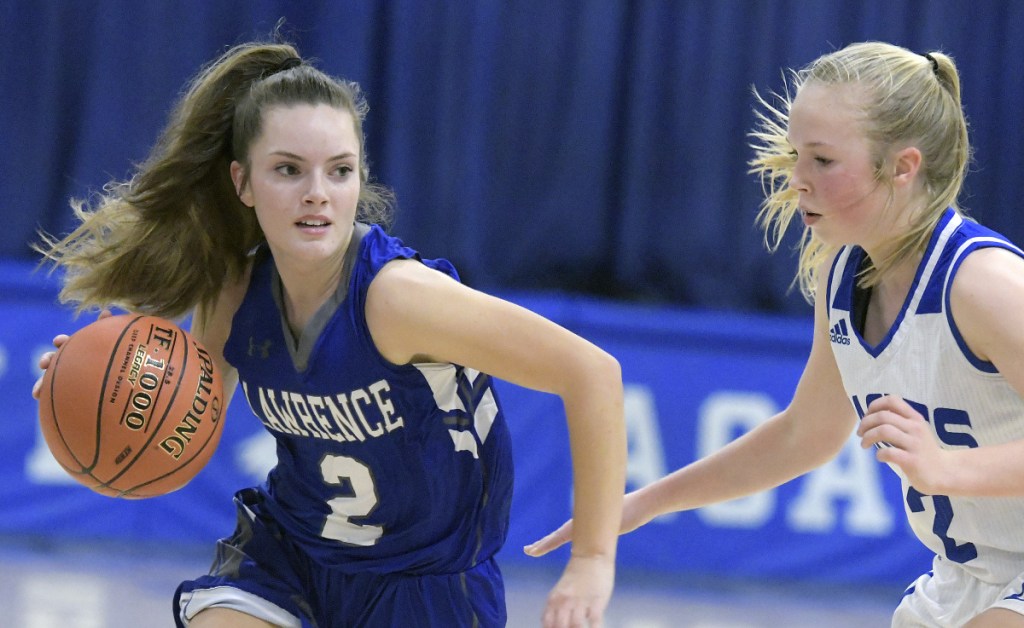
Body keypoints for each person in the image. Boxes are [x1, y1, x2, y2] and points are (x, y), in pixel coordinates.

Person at [32, 39, 626, 628]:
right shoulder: (234, 293)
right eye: (288, 170)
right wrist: (91, 392)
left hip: (425, 584)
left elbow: (593, 373)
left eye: (339, 171)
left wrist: (592, 561)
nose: (317, 191)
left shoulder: (398, 299)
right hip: (294, 555)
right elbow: (186, 422)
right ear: (243, 182)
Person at [524, 41, 1024, 627]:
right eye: (794, 154)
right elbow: (802, 435)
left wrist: (947, 468)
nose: (797, 179)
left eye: (822, 160)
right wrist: (642, 503)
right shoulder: (844, 274)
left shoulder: (985, 285)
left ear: (903, 166)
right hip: (967, 578)